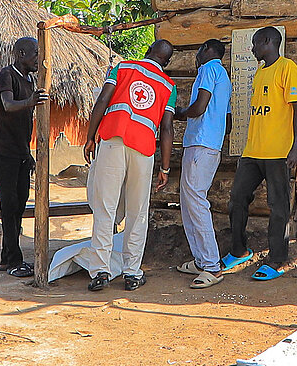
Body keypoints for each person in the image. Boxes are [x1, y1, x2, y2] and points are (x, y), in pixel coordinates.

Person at [82, 40, 177, 291]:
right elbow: (167, 129)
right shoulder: (168, 85)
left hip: (112, 141)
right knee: (137, 213)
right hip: (143, 149)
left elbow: (102, 101)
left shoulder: (123, 67)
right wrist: (165, 168)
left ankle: (100, 271)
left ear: (147, 51)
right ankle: (132, 273)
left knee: (105, 209)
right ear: (166, 63)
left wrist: (91, 137)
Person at [224, 27, 297, 280]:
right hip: (252, 152)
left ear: (268, 42)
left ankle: (277, 259)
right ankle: (239, 250)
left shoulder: (287, 68)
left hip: (278, 152)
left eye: (255, 43)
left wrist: (294, 148)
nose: (252, 48)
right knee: (237, 197)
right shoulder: (260, 72)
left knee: (278, 206)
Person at [0, 37, 49, 277]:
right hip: (3, 150)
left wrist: (27, 154)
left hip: (19, 151)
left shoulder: (29, 79)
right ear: (21, 53)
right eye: (35, 53)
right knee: (9, 205)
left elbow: (23, 123)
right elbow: (8, 105)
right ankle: (14, 261)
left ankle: (7, 258)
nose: (38, 58)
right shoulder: (7, 75)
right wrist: (31, 101)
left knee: (19, 204)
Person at [174, 39, 231, 288]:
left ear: (207, 49)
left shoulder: (208, 69)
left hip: (200, 144)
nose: (196, 55)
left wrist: (178, 113)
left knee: (195, 202)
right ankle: (201, 260)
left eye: (198, 50)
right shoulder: (225, 77)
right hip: (209, 144)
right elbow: (226, 122)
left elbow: (199, 106)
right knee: (190, 202)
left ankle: (211, 265)